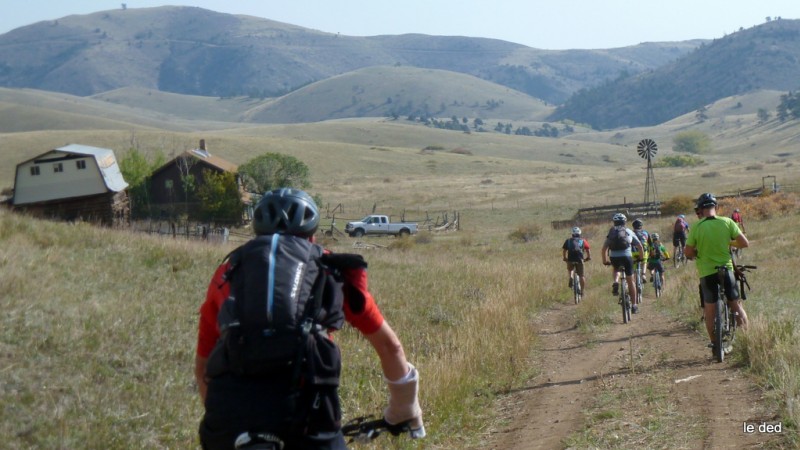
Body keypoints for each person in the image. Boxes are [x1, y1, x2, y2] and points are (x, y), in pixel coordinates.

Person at [194, 188, 424, 450]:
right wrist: (405, 408)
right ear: (312, 236)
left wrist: (224, 417)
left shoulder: (228, 272)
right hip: (307, 417)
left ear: (256, 233)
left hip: (229, 419)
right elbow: (389, 346)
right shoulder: (329, 269)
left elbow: (202, 368)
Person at [684, 193, 750, 355]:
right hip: (726, 270)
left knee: (710, 310)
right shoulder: (727, 222)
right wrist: (728, 242)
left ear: (700, 209)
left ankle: (715, 344)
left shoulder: (697, 227)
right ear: (716, 207)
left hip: (707, 272)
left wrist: (695, 253)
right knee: (736, 304)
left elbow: (688, 252)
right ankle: (748, 340)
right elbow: (744, 243)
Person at [601, 213, 644, 313]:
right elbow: (640, 246)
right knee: (631, 281)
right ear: (625, 221)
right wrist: (640, 259)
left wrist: (605, 261)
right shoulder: (629, 231)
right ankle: (634, 305)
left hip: (614, 257)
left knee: (616, 269)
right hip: (627, 257)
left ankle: (616, 282)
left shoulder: (612, 232)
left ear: (614, 222)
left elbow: (604, 249)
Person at [562, 226, 591, 295]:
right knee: (581, 275)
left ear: (572, 234)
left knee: (570, 269)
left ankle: (571, 277)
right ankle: (582, 291)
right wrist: (588, 258)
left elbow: (564, 250)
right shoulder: (583, 240)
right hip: (579, 258)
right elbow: (588, 250)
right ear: (580, 234)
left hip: (570, 258)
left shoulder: (568, 241)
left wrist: (565, 258)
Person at [631, 219, 650, 283]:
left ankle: (633, 281)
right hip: (643, 252)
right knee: (644, 262)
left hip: (633, 252)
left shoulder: (630, 233)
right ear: (641, 226)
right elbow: (650, 244)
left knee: (634, 265)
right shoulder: (645, 233)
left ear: (633, 226)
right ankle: (643, 275)